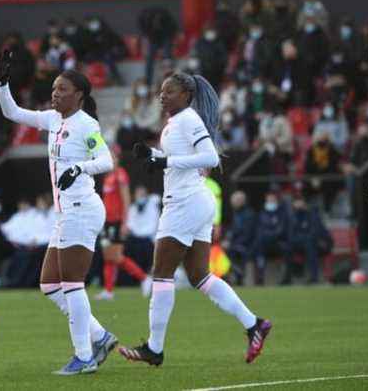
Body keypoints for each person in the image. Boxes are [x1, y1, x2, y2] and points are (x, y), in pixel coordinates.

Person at [120, 72, 271, 367]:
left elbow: (210, 158)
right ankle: (254, 324)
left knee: (161, 273)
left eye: (169, 91)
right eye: (161, 91)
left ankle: (154, 348)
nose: (162, 96)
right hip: (195, 201)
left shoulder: (188, 119)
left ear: (186, 95)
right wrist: (152, 155)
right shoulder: (177, 121)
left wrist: (166, 160)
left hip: (185, 202)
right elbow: (180, 158)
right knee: (199, 276)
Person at [0, 50, 118, 374]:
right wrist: (2, 83)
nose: (55, 93)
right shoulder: (52, 119)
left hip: (82, 210)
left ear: (79, 95)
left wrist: (78, 168)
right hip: (67, 214)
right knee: (50, 284)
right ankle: (100, 336)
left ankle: (84, 357)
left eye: (62, 89)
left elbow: (107, 161)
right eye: (53, 89)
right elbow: (11, 112)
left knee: (72, 283)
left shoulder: (86, 125)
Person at [95, 146, 150, 301]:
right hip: (107, 221)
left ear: (117, 158)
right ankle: (108, 290)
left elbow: (126, 200)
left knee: (116, 255)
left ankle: (144, 278)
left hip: (117, 221)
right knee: (107, 256)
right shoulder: (107, 177)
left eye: (112, 157)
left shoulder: (120, 175)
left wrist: (125, 223)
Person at [251, 191, 290, 285]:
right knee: (258, 247)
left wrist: (269, 236)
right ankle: (260, 277)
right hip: (264, 244)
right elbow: (259, 229)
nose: (270, 201)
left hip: (278, 243)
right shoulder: (261, 213)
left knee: (288, 250)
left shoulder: (282, 214)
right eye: (269, 199)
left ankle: (286, 278)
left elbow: (281, 230)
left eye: (272, 199)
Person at [223, 191, 257, 285]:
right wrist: (227, 239)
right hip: (236, 244)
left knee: (232, 251)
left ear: (241, 201)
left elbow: (248, 235)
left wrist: (232, 243)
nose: (232, 203)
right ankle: (230, 276)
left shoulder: (249, 214)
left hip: (247, 245)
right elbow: (232, 230)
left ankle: (239, 275)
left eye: (235, 200)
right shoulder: (235, 214)